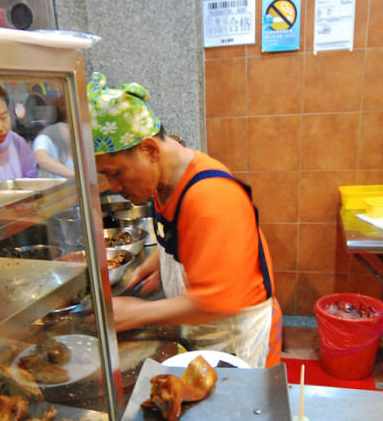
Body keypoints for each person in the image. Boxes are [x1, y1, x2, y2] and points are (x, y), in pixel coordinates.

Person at [87, 72, 282, 368]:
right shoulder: (165, 183)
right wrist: (157, 264)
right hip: (203, 333)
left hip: (238, 339)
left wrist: (137, 313)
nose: (113, 186)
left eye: (115, 173)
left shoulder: (210, 197)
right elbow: (184, 235)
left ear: (150, 150)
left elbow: (220, 300)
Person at [32, 95, 74, 179]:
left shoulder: (80, 140)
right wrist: (75, 176)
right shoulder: (44, 137)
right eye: (66, 127)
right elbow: (41, 159)